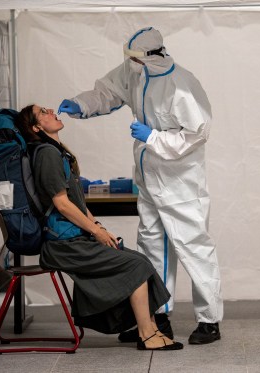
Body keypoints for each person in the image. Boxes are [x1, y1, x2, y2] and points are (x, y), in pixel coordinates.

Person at [57, 26, 223, 345]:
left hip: (181, 184)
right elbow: (108, 91)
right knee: (150, 249)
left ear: (152, 55)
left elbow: (198, 132)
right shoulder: (135, 71)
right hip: (148, 182)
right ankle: (156, 319)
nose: (128, 63)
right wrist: (81, 105)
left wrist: (155, 138)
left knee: (194, 248)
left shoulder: (182, 85)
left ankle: (210, 320)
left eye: (133, 59)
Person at [15, 104, 183, 351]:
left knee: (138, 260)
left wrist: (98, 226)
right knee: (136, 265)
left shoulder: (57, 152)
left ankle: (151, 328)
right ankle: (147, 335)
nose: (51, 110)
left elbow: (78, 204)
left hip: (74, 239)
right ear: (36, 127)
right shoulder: (47, 155)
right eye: (43, 112)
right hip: (63, 246)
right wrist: (96, 232)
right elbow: (62, 205)